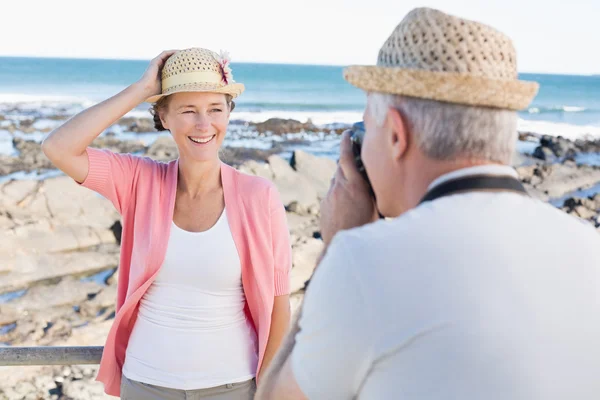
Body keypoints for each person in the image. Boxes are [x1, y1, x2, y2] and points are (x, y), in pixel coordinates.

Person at [256, 7, 600, 400]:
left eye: (367, 126)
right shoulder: (589, 249)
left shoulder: (364, 262)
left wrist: (335, 248)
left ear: (397, 136)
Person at [42, 47, 292, 399]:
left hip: (233, 387)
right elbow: (58, 147)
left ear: (228, 113)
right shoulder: (138, 182)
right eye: (188, 111)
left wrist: (267, 389)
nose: (204, 125)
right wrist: (142, 89)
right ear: (164, 116)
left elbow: (280, 304)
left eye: (215, 109)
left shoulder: (259, 197)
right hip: (145, 384)